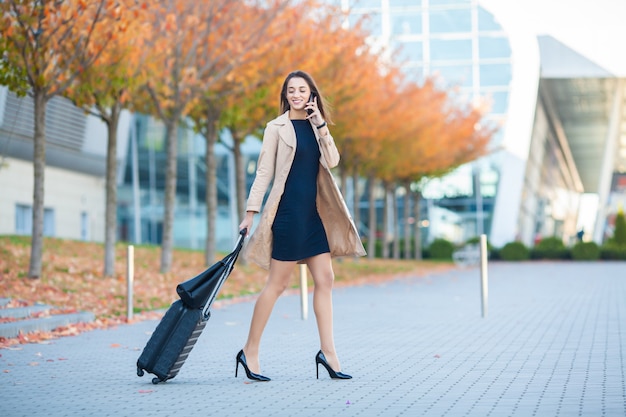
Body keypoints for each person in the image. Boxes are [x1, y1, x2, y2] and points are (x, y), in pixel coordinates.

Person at [236, 70, 366, 381]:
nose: (296, 94)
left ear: (312, 95)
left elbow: (332, 160)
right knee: (277, 285)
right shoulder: (276, 128)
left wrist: (320, 123)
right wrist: (250, 212)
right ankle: (249, 351)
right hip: (289, 215)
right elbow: (264, 172)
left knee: (326, 279)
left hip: (313, 216)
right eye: (291, 90)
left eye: (302, 90)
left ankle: (329, 354)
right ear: (285, 95)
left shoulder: (316, 126)